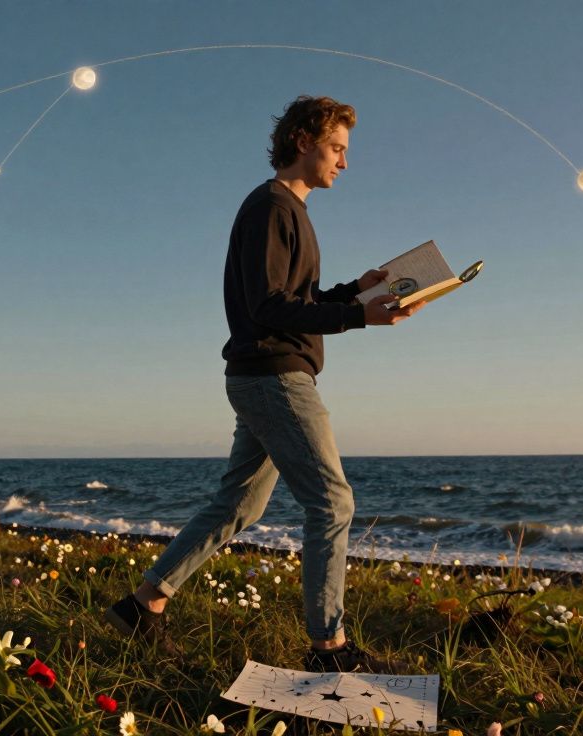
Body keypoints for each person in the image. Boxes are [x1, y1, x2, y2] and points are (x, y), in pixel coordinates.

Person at [104, 96, 425, 673]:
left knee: (240, 504)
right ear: (303, 141)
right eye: (336, 149)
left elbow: (295, 300)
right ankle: (329, 649)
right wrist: (360, 316)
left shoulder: (287, 209)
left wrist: (357, 290)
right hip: (275, 376)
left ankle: (144, 604)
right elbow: (269, 306)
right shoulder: (272, 206)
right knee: (332, 502)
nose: (344, 163)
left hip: (263, 375)